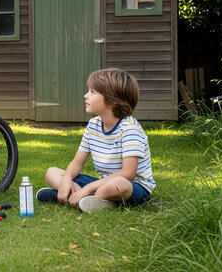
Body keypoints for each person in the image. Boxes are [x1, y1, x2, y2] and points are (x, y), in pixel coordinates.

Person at [36, 68, 155, 213]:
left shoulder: (130, 129)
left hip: (133, 187)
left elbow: (128, 173)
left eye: (92, 92)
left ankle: (78, 197)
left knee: (118, 184)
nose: (86, 95)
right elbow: (77, 163)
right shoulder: (93, 125)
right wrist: (67, 178)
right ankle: (86, 199)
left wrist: (88, 188)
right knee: (52, 172)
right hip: (102, 184)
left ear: (111, 101)